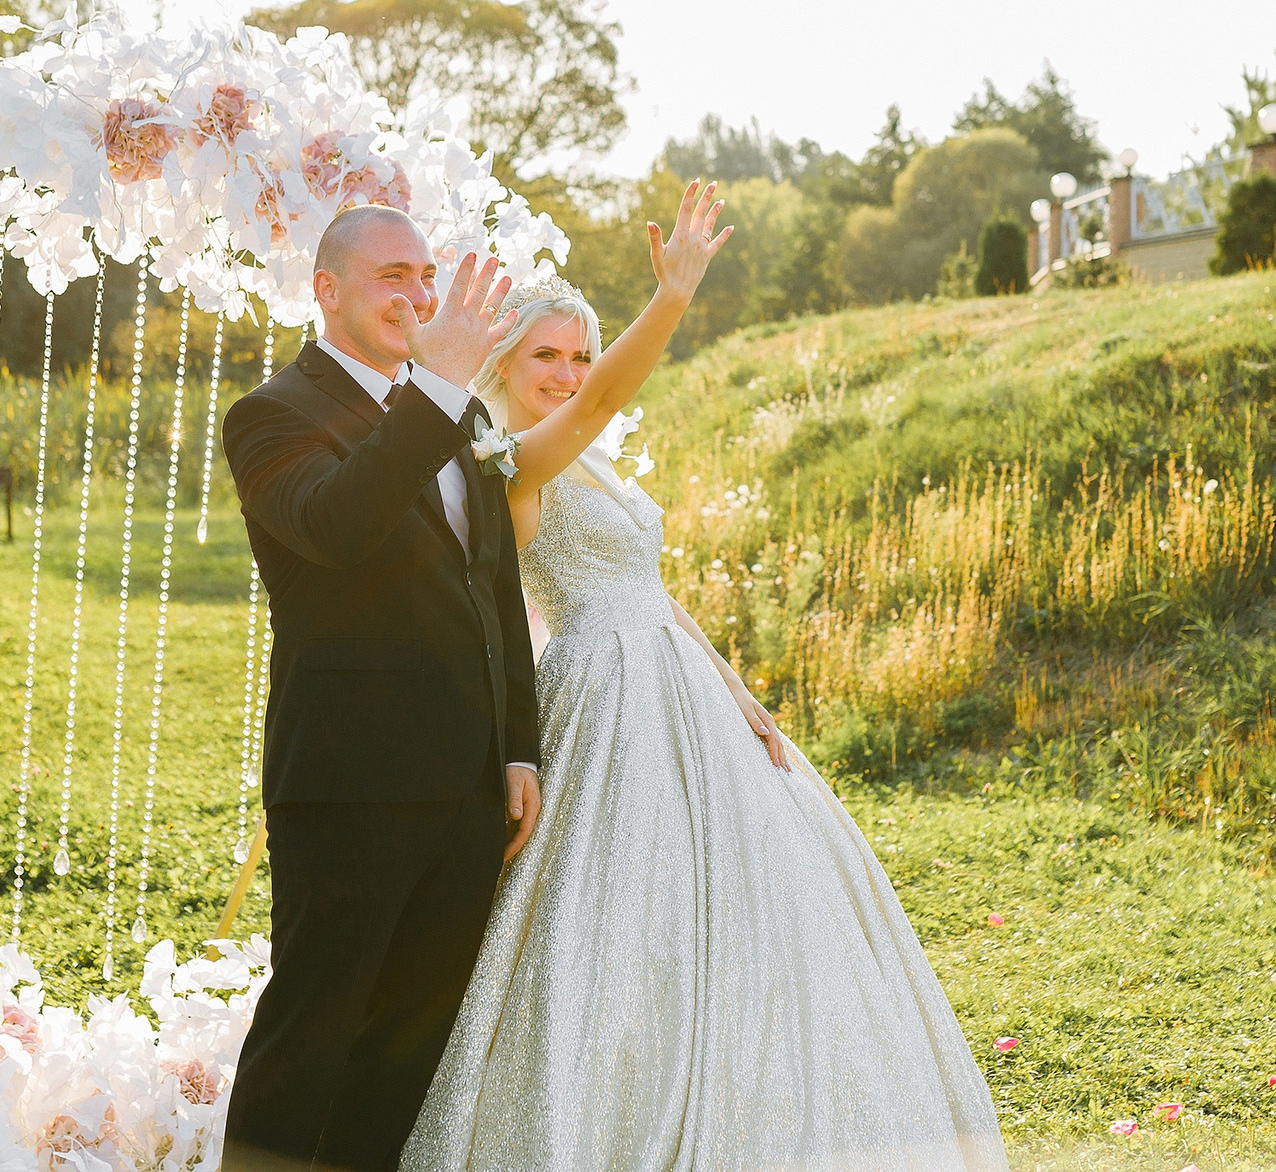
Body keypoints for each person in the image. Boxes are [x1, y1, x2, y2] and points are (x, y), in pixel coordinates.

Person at [403, 183, 1008, 1171]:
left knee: (753, 892)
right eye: (544, 355)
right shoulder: (505, 460)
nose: (567, 372)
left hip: (680, 682)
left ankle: (757, 1098)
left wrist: (736, 688)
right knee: (607, 905)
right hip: (602, 687)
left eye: (577, 354)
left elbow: (650, 583)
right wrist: (673, 296)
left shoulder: (594, 465)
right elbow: (605, 409)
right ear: (502, 364)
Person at [219, 205, 537, 1169]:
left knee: (406, 1043)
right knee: (312, 1027)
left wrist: (517, 744)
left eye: (426, 275)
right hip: (350, 781)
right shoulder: (272, 413)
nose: (419, 295)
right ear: (329, 289)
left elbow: (497, 587)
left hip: (470, 785)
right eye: (393, 274)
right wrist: (436, 384)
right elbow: (336, 524)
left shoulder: (466, 414)